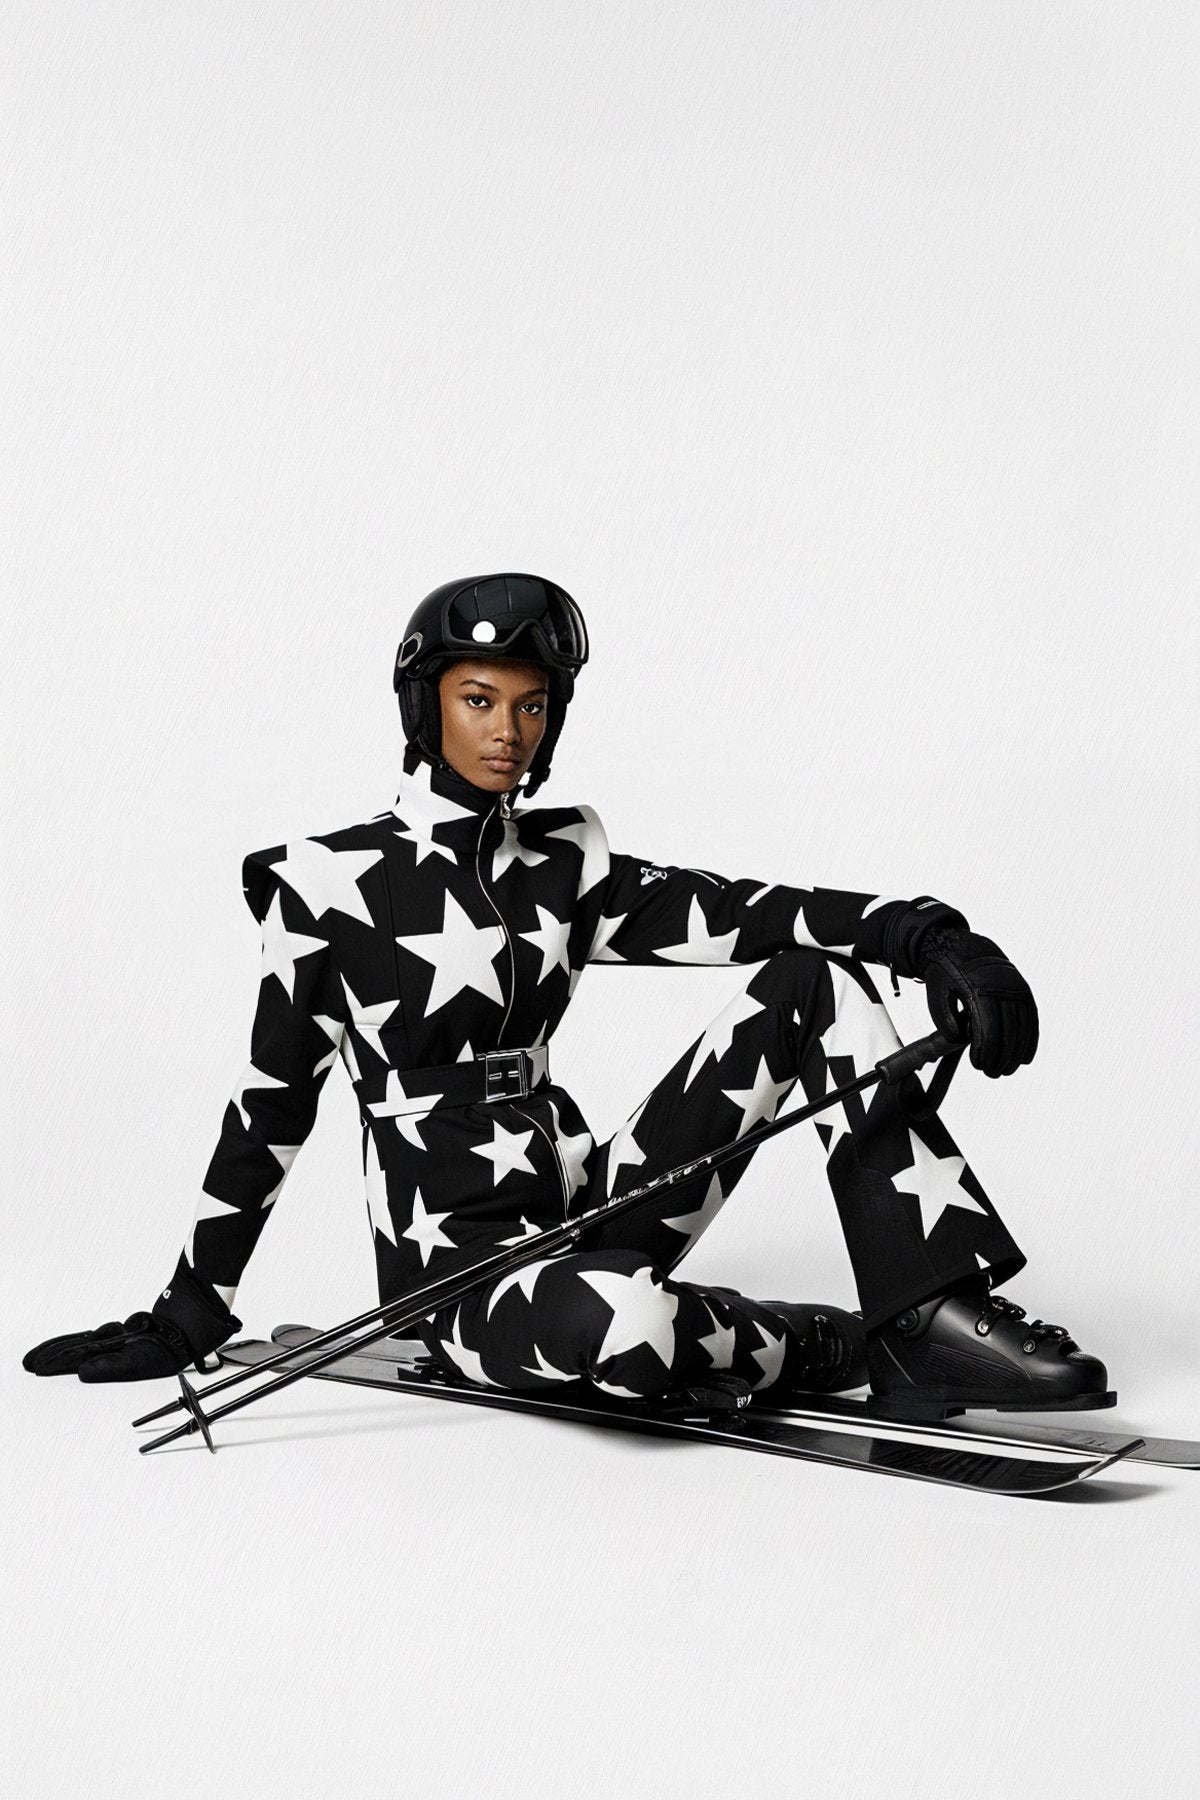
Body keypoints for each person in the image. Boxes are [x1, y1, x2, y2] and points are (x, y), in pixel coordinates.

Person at [23, 573, 1111, 1421]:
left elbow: (747, 912)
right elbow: (270, 1108)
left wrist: (927, 936)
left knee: (814, 984)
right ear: (425, 705)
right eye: (479, 700)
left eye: (531, 706)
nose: (508, 731)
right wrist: (190, 1311)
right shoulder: (325, 887)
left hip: (587, 1205)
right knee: (628, 1322)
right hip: (461, 1277)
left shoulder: (563, 864)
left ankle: (924, 1317)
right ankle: (800, 1341)